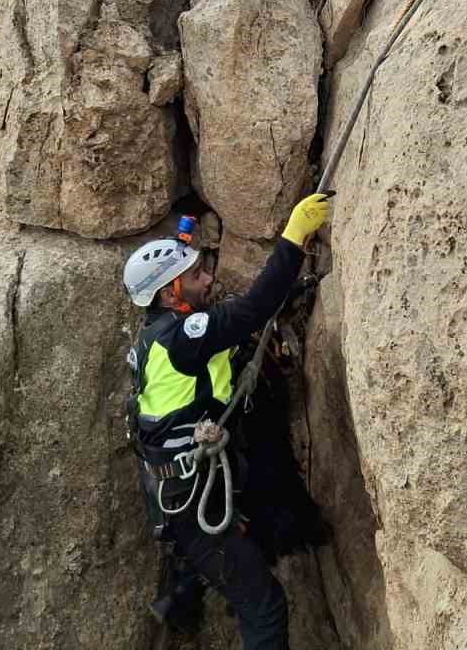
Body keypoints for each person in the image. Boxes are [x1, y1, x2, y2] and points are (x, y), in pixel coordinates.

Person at [122, 193, 332, 650]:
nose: (208, 278)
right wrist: (294, 237)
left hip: (186, 492)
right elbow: (253, 307)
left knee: (256, 593)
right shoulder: (182, 337)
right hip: (194, 503)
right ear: (167, 292)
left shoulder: (154, 339)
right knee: (264, 606)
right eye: (195, 276)